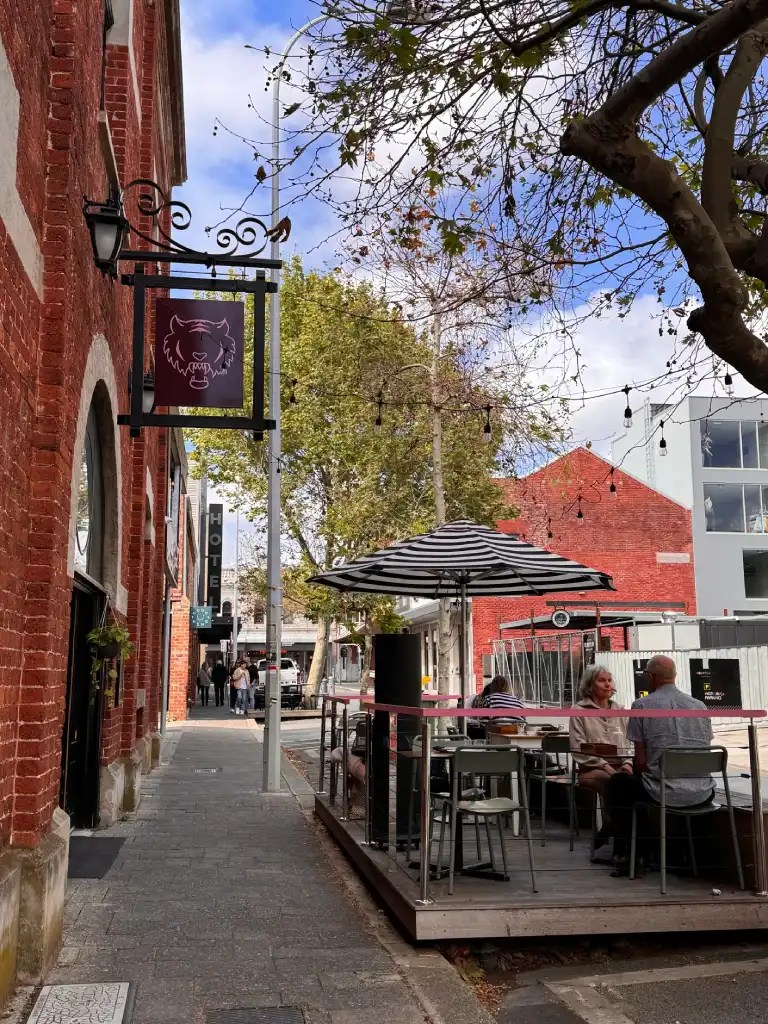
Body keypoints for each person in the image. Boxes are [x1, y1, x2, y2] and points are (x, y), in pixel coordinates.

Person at [605, 654, 715, 874]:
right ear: (674, 676)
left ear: (650, 676)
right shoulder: (700, 706)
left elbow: (641, 762)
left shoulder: (642, 705)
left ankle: (632, 853)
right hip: (703, 791)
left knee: (619, 785)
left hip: (663, 790)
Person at [570, 664, 631, 847]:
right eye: (601, 681)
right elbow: (579, 748)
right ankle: (620, 837)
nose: (607, 684)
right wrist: (605, 766)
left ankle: (613, 826)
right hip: (592, 768)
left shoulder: (620, 710)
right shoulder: (578, 711)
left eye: (609, 680)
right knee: (612, 781)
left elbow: (631, 742)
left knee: (632, 782)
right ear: (590, 685)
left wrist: (628, 763)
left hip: (621, 767)